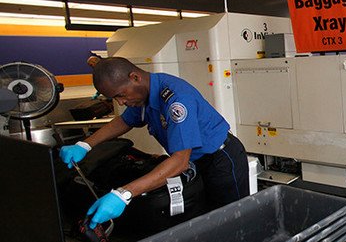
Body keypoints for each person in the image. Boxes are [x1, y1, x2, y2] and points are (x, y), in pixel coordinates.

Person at [59, 57, 250, 228]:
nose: (120, 102)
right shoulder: (144, 96)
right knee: (207, 221)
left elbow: (179, 161)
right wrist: (85, 145)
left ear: (135, 78)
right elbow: (125, 121)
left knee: (233, 221)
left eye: (120, 95)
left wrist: (124, 194)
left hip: (221, 161)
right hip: (197, 163)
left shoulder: (176, 100)